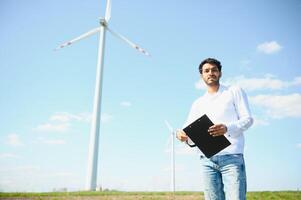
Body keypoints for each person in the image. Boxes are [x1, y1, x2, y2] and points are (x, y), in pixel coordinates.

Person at [176, 58, 253, 200]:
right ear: (202, 76)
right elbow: (188, 131)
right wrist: (182, 135)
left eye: (214, 70)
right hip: (207, 160)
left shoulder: (234, 91)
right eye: (206, 71)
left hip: (232, 157)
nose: (210, 73)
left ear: (220, 73)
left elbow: (248, 120)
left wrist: (227, 128)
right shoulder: (198, 103)